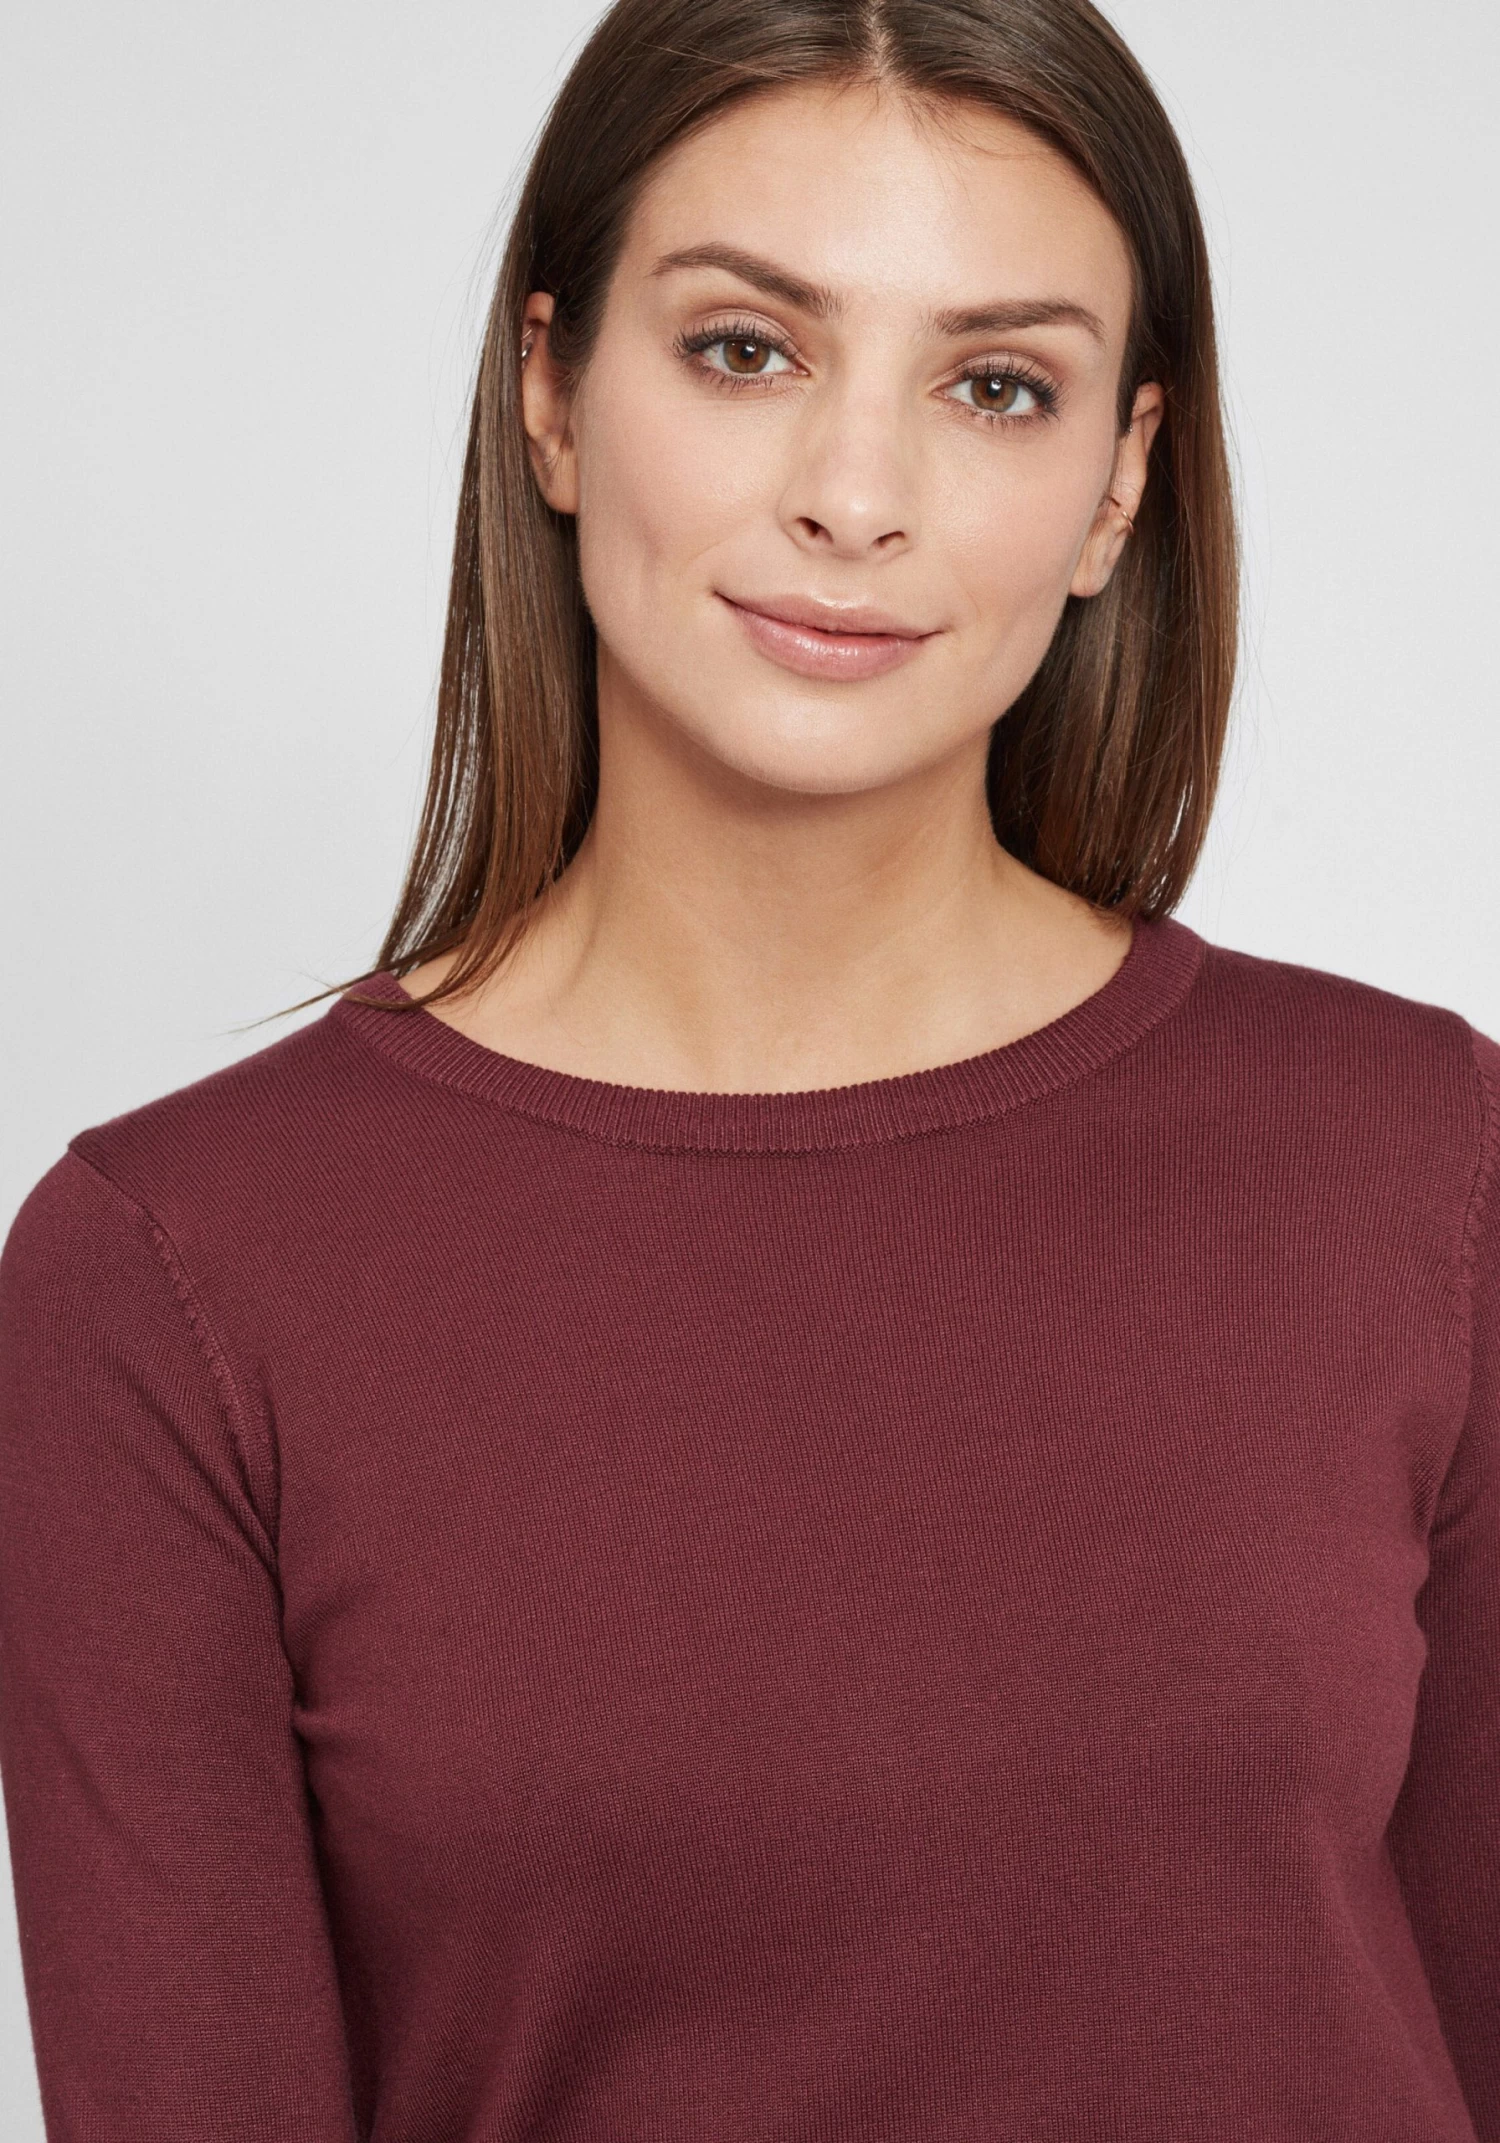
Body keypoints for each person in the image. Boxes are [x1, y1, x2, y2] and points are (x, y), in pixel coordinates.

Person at [1, 0, 1495, 2136]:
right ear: (551, 394)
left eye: (996, 385)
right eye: (744, 349)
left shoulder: (1420, 1162)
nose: (855, 498)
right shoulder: (167, 1279)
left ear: (1117, 485)